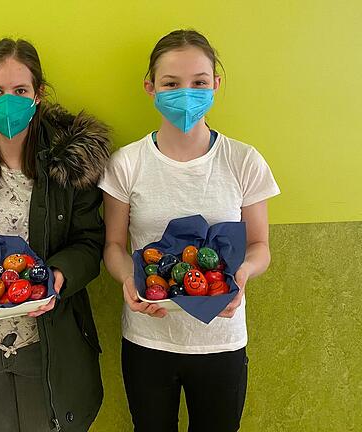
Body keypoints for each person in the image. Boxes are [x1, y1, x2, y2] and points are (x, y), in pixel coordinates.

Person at [100, 29, 280, 432]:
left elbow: (260, 245)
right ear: (150, 87)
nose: (186, 92)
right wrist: (129, 279)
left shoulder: (243, 160)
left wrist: (243, 274)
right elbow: (113, 244)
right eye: (171, 83)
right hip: (149, 338)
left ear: (216, 84)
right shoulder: (127, 164)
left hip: (221, 338)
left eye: (199, 82)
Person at [0, 38, 110, 432]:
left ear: (38, 94)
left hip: (48, 338)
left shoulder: (69, 165)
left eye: (20, 90)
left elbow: (90, 241)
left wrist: (60, 274)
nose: (7, 100)